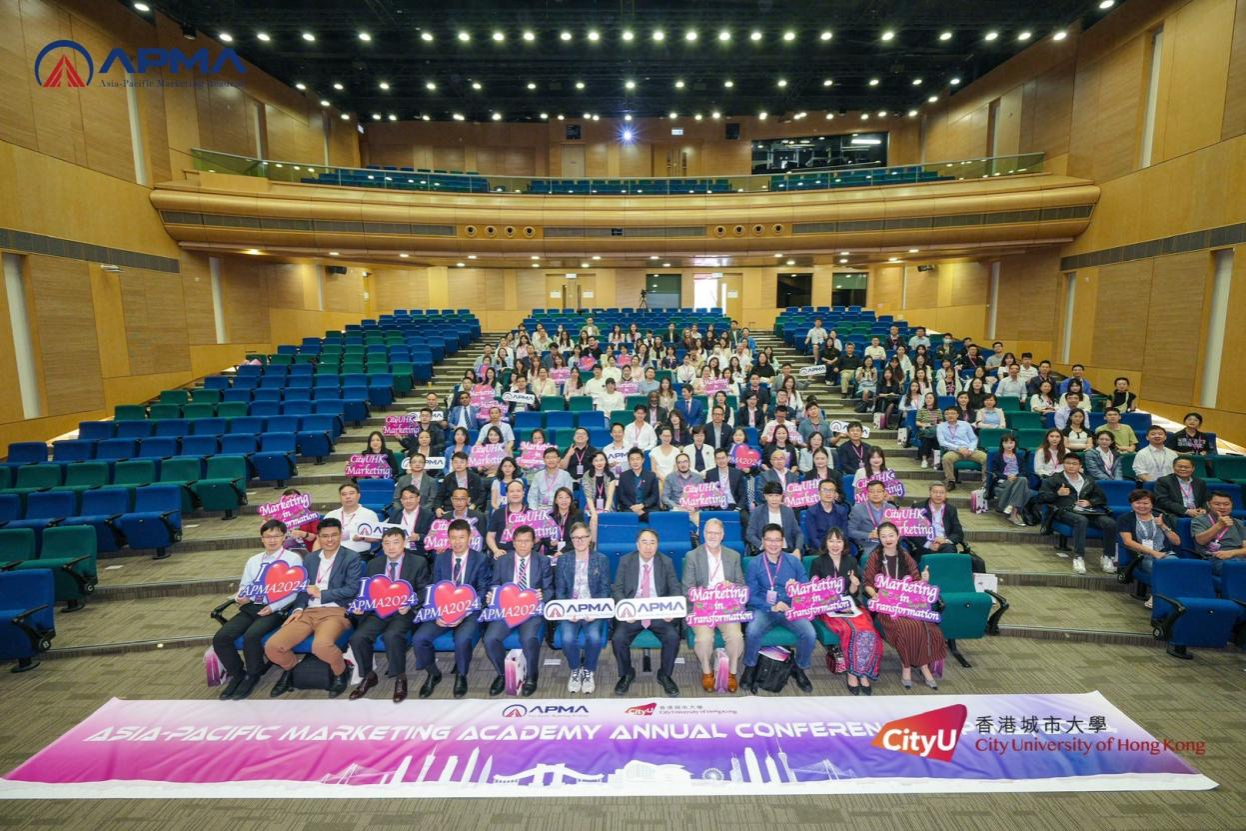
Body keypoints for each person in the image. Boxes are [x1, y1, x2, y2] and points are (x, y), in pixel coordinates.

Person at [265, 519, 364, 699]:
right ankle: (292, 670)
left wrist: (321, 593)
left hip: (335, 611)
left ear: (340, 535)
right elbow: (303, 589)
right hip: (308, 611)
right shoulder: (310, 558)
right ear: (318, 537)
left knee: (321, 646)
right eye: (325, 536)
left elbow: (352, 589)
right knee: (272, 647)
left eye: (334, 535)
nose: (330, 539)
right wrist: (297, 609)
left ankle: (340, 672)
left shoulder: (352, 557)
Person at [213, 520, 303, 700]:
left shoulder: (292, 559)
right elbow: (245, 586)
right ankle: (238, 674)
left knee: (251, 636)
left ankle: (252, 674)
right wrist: (241, 597)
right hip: (251, 606)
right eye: (268, 536)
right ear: (261, 539)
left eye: (276, 536)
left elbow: (295, 591)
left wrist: (273, 607)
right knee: (221, 638)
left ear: (284, 537)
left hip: (276, 608)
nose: (272, 540)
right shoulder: (253, 560)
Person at [347, 527, 431, 703]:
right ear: (382, 545)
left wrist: (410, 603)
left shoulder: (418, 562)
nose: (391, 547)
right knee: (358, 638)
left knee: (392, 636)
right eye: (386, 543)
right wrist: (360, 606)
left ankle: (400, 677)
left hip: (402, 612)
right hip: (378, 611)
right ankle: (369, 675)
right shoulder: (373, 564)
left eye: (395, 542)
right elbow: (366, 592)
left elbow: (424, 590)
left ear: (404, 543)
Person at [412, 519, 493, 699]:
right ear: (448, 539)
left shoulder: (480, 559)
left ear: (469, 538)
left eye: (461, 537)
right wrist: (438, 612)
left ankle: (461, 675)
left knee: (462, 638)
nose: (457, 542)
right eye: (453, 538)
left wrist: (463, 611)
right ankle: (433, 673)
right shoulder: (441, 559)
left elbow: (483, 590)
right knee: (419, 638)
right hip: (442, 610)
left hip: (469, 611)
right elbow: (435, 588)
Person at [863, 523, 946, 689]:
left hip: (908, 605)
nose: (888, 539)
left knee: (927, 626)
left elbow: (916, 583)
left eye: (891, 535)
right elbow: (867, 584)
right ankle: (906, 666)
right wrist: (875, 595)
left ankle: (923, 665)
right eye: (883, 536)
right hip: (886, 607)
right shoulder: (875, 557)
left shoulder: (905, 556)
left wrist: (924, 580)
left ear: (898, 536)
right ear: (879, 539)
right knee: (906, 627)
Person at [740, 524, 816, 694]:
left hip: (790, 608)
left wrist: (797, 589)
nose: (773, 544)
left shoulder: (794, 562)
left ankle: (799, 668)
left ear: (783, 542)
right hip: (764, 608)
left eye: (777, 540)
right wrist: (771, 606)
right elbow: (750, 596)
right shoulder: (754, 564)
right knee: (752, 631)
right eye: (769, 540)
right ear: (763, 541)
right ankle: (750, 667)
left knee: (809, 633)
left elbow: (806, 588)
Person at [482, 526, 553, 698]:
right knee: (490, 639)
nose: (523, 545)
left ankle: (532, 675)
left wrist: (543, 595)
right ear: (513, 542)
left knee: (528, 638)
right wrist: (491, 595)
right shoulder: (502, 561)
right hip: (506, 610)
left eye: (527, 541)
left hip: (531, 610)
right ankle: (503, 674)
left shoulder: (542, 561)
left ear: (533, 543)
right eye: (519, 541)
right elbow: (495, 584)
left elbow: (550, 589)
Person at [611, 529, 683, 697]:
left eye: (652, 543)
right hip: (633, 612)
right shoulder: (626, 561)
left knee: (672, 637)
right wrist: (625, 608)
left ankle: (665, 675)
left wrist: (671, 610)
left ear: (657, 545)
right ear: (637, 545)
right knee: (618, 638)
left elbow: (675, 589)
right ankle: (626, 673)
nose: (648, 547)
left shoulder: (666, 562)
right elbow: (617, 589)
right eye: (644, 542)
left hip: (658, 612)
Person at [811, 528, 882, 693]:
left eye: (839, 541)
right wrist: (831, 599)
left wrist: (854, 585)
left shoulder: (850, 561)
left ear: (844, 544)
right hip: (828, 607)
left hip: (850, 605)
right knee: (850, 630)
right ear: (826, 543)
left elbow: (853, 593)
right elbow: (814, 592)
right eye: (831, 541)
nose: (835, 545)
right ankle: (852, 673)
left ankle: (862, 673)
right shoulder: (817, 562)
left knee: (867, 630)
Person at [683, 519, 747, 693]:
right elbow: (687, 589)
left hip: (727, 608)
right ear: (703, 534)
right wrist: (706, 596)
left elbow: (741, 585)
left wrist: (731, 587)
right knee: (704, 638)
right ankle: (707, 671)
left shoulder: (733, 556)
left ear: (722, 535)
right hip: (702, 608)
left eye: (716, 533)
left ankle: (732, 672)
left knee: (736, 636)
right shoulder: (692, 556)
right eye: (709, 533)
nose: (712, 536)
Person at [1038, 454, 1118, 575]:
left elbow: (1101, 498)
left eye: (1074, 464)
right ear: (1063, 465)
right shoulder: (1054, 480)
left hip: (1086, 511)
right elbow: (1041, 498)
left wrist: (1090, 502)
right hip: (1063, 511)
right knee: (1081, 520)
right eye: (1068, 463)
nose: (1071, 466)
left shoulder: (1088, 480)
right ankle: (1078, 557)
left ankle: (1108, 556)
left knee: (1110, 523)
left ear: (1080, 466)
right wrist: (1057, 494)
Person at [555, 522, 610, 694]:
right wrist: (567, 610)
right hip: (570, 608)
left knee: (594, 637)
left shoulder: (601, 559)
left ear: (590, 538)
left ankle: (588, 670)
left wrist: (596, 610)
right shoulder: (563, 560)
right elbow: (560, 590)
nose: (579, 541)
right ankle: (575, 670)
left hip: (593, 608)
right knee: (567, 638)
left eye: (583, 537)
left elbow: (604, 589)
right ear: (571, 539)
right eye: (575, 538)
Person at [1117, 490, 1181, 610]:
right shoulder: (1125, 518)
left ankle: (1157, 596)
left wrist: (1163, 526)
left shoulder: (1161, 517)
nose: (1142, 506)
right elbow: (1127, 541)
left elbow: (1177, 542)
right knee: (1161, 568)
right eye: (1138, 502)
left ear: (1152, 504)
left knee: (1175, 565)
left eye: (1146, 503)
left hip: (1165, 553)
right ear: (1131, 503)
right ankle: (1159, 597)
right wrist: (1154, 553)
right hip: (1142, 556)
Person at [910, 483, 980, 571]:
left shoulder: (951, 509)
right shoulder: (918, 508)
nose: (938, 495)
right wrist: (929, 544)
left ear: (946, 494)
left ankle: (947, 576)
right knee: (932, 558)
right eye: (935, 492)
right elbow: (912, 532)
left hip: (945, 544)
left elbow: (958, 533)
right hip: (926, 544)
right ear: (930, 493)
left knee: (949, 550)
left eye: (941, 492)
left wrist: (945, 540)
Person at [1191, 492, 1246, 576]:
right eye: (1217, 504)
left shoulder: (1238, 523)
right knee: (1236, 567)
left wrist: (1231, 553)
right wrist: (1219, 525)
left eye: (1226, 504)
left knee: (1239, 564)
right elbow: (1200, 540)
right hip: (1215, 559)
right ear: (1208, 505)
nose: (1222, 507)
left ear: (1231, 505)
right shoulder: (1199, 520)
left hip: (1238, 557)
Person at [324, 483, 381, 559]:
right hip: (333, 555)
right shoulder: (331, 515)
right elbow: (320, 538)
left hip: (359, 555)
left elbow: (377, 538)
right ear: (340, 497)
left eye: (351, 493)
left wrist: (363, 538)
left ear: (358, 496)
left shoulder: (369, 514)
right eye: (344, 494)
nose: (348, 497)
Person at [987, 435, 1032, 527]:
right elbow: (995, 472)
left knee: (1022, 479)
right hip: (1004, 481)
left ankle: (1011, 507)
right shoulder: (998, 457)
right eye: (1006, 442)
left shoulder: (1020, 457)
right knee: (1025, 489)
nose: (1009, 445)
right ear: (1002, 444)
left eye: (1011, 442)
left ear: (1015, 444)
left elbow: (1025, 471)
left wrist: (1016, 476)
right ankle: (1014, 514)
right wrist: (1007, 477)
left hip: (1018, 479)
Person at [746, 481, 804, 552]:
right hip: (765, 550)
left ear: (782, 496)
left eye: (777, 495)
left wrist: (797, 549)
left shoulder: (788, 511)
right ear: (765, 496)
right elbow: (750, 534)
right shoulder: (758, 511)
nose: (774, 499)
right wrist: (761, 545)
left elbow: (798, 533)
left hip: (786, 549)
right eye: (770, 495)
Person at [936, 407, 986, 491]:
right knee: (946, 458)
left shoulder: (965, 424)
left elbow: (974, 439)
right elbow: (942, 442)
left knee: (986, 458)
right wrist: (958, 449)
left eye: (952, 413)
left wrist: (971, 449)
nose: (950, 415)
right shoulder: (941, 426)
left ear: (957, 415)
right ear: (944, 416)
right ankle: (951, 481)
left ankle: (986, 483)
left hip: (969, 449)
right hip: (954, 451)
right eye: (947, 414)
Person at [848, 479, 899, 556]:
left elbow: (899, 530)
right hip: (869, 545)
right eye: (872, 491)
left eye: (879, 491)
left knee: (904, 557)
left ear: (884, 493)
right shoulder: (858, 508)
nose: (875, 494)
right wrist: (869, 535)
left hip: (890, 543)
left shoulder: (891, 508)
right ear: (867, 494)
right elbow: (850, 531)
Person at [385, 485, 436, 556]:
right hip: (395, 550)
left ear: (418, 498)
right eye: (405, 498)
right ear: (401, 501)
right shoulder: (395, 513)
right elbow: (387, 532)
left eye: (411, 497)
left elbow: (433, 537)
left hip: (416, 551)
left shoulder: (428, 515)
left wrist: (418, 537)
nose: (408, 501)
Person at [803, 478, 850, 554]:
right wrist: (826, 550)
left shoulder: (841, 511)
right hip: (819, 548)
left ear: (835, 493)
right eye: (825, 490)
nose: (828, 493)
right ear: (819, 493)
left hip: (838, 547)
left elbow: (844, 534)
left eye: (831, 490)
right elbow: (814, 537)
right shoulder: (811, 512)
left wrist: (837, 548)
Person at [487, 480, 532, 557]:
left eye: (518, 491)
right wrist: (496, 551)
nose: (515, 494)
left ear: (523, 493)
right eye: (512, 491)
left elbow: (536, 538)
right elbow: (490, 536)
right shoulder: (498, 513)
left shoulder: (531, 513)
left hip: (525, 554)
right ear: (507, 494)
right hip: (502, 553)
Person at [615, 447, 661, 519]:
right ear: (629, 462)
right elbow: (621, 496)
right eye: (632, 459)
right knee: (627, 517)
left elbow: (654, 496)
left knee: (654, 517)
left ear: (643, 460)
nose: (635, 462)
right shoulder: (623, 476)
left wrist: (642, 505)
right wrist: (632, 507)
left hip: (647, 508)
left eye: (637, 459)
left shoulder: (651, 475)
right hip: (630, 508)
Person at [528, 446, 575, 511]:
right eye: (548, 458)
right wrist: (535, 511)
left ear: (558, 459)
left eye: (553, 457)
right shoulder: (538, 476)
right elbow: (532, 496)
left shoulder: (565, 475)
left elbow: (569, 496)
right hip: (540, 509)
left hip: (559, 509)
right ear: (544, 460)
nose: (551, 460)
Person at [705, 447, 747, 513]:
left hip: (734, 505)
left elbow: (743, 494)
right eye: (718, 459)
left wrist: (738, 508)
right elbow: (707, 494)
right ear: (715, 460)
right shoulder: (710, 474)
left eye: (723, 458)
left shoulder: (737, 473)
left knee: (745, 518)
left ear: (728, 458)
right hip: (717, 506)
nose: (721, 461)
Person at [914, 392, 943, 469]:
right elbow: (917, 422)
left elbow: (941, 422)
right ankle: (928, 460)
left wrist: (938, 425)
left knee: (935, 437)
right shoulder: (921, 410)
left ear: (934, 400)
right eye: (926, 398)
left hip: (935, 430)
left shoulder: (938, 410)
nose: (928, 399)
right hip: (924, 430)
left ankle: (931, 460)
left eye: (930, 398)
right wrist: (925, 425)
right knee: (928, 437)